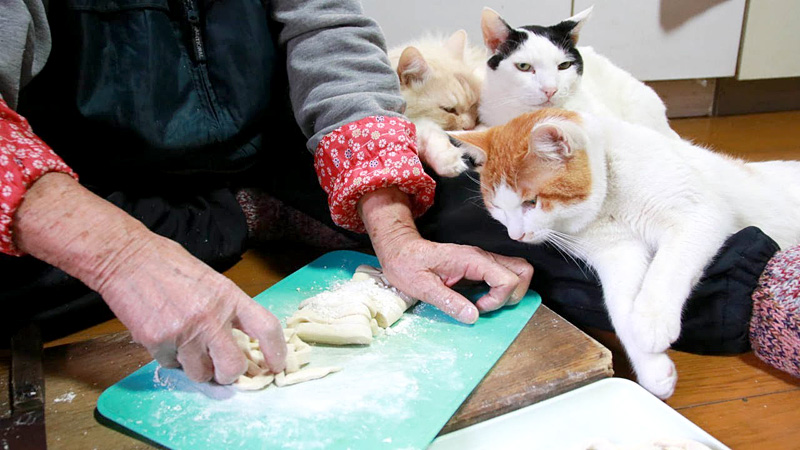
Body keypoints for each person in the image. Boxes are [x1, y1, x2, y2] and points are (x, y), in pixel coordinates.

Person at [0, 0, 532, 385]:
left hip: (281, 154)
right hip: (90, 186)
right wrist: (123, 257)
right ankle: (235, 216)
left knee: (503, 235)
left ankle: (238, 214)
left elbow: (331, 38)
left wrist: (395, 229)